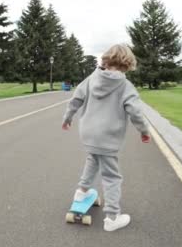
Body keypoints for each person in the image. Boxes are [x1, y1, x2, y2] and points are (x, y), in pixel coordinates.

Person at [61, 44, 151, 232]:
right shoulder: (126, 86)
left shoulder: (91, 79)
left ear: (106, 60)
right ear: (127, 64)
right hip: (108, 137)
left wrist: (67, 118)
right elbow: (135, 111)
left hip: (88, 133)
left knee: (92, 158)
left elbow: (75, 99)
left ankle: (82, 192)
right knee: (111, 176)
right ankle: (112, 217)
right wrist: (144, 131)